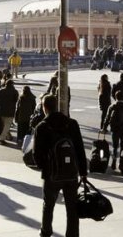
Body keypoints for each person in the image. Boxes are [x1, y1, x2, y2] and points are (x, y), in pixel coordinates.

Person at [33, 94, 87, 237]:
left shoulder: (42, 127)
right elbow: (80, 149)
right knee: (72, 208)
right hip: (71, 173)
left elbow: (37, 155)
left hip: (52, 175)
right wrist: (83, 171)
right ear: (56, 106)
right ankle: (72, 234)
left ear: (44, 108)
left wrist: (45, 168)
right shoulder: (72, 124)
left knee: (48, 206)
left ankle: (46, 231)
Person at [103, 90, 123, 170]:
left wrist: (104, 128)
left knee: (114, 146)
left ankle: (113, 161)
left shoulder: (112, 106)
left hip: (114, 129)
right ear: (122, 97)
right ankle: (121, 162)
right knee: (122, 146)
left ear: (115, 97)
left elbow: (107, 118)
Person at [0, 79, 19, 145]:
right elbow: (16, 100)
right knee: (7, 125)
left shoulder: (1, 90)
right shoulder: (15, 91)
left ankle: (7, 136)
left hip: (1, 110)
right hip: (10, 110)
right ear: (12, 84)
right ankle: (2, 139)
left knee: (4, 125)